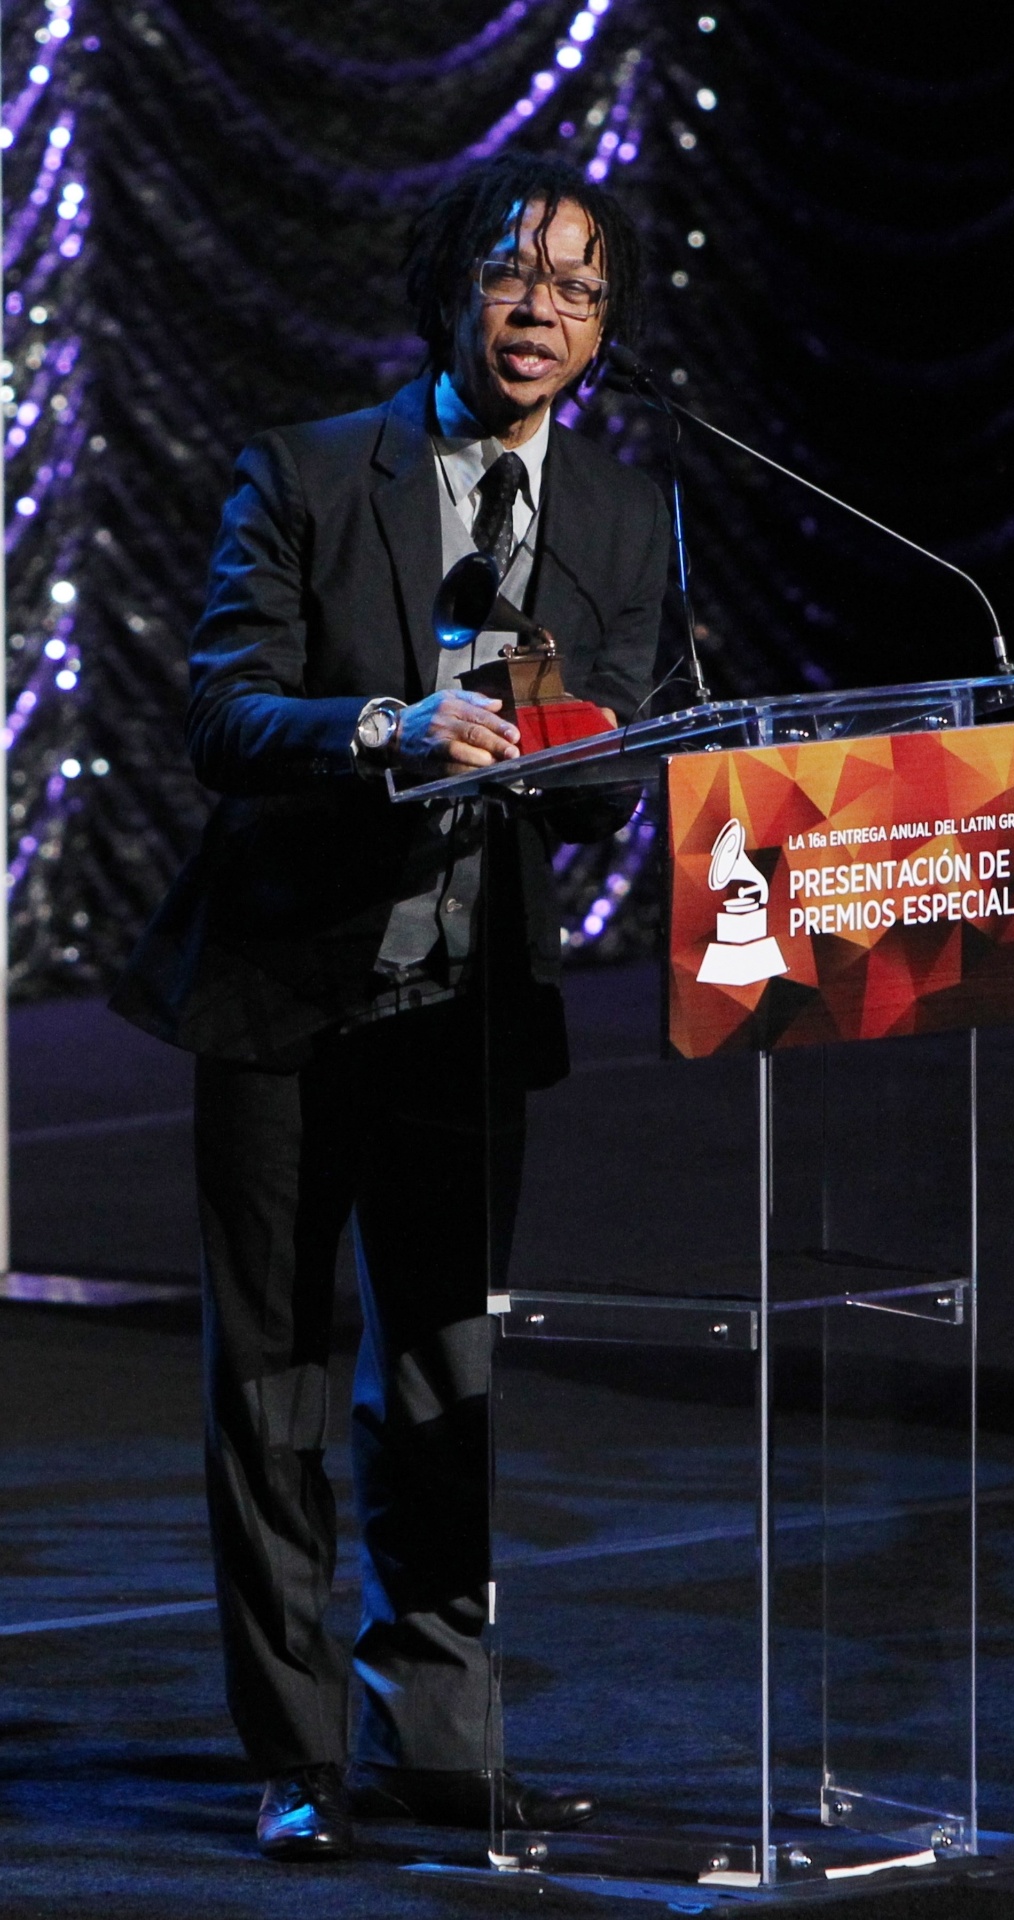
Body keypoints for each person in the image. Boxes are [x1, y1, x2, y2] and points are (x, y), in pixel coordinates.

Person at [112, 149, 670, 1862]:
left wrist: (585, 749)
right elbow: (222, 714)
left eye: (577, 290)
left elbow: (624, 743)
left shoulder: (621, 512)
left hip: (466, 1006)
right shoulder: (306, 471)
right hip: (285, 996)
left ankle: (436, 1734)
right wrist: (388, 734)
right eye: (515, 276)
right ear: (452, 287)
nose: (540, 311)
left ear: (602, 333)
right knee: (276, 1381)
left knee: (443, 1382)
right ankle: (295, 1756)